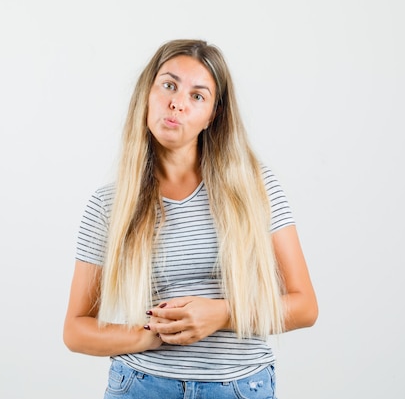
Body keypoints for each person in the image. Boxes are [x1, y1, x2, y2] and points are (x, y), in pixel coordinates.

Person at [63, 39, 318, 399]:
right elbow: (76, 330)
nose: (177, 102)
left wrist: (222, 314)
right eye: (169, 85)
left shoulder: (254, 186)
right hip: (142, 386)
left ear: (213, 114)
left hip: (240, 387)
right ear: (147, 93)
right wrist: (151, 335)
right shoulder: (109, 205)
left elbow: (305, 306)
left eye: (198, 96)